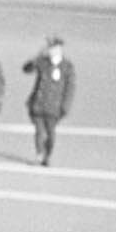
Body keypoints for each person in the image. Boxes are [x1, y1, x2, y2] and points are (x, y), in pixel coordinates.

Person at [22, 36, 74, 166]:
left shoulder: (66, 66)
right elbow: (27, 69)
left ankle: (47, 155)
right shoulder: (43, 62)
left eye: (55, 48)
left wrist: (65, 106)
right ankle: (39, 155)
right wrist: (38, 56)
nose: (52, 51)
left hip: (54, 107)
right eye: (51, 48)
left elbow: (69, 88)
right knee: (39, 132)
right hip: (38, 104)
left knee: (50, 133)